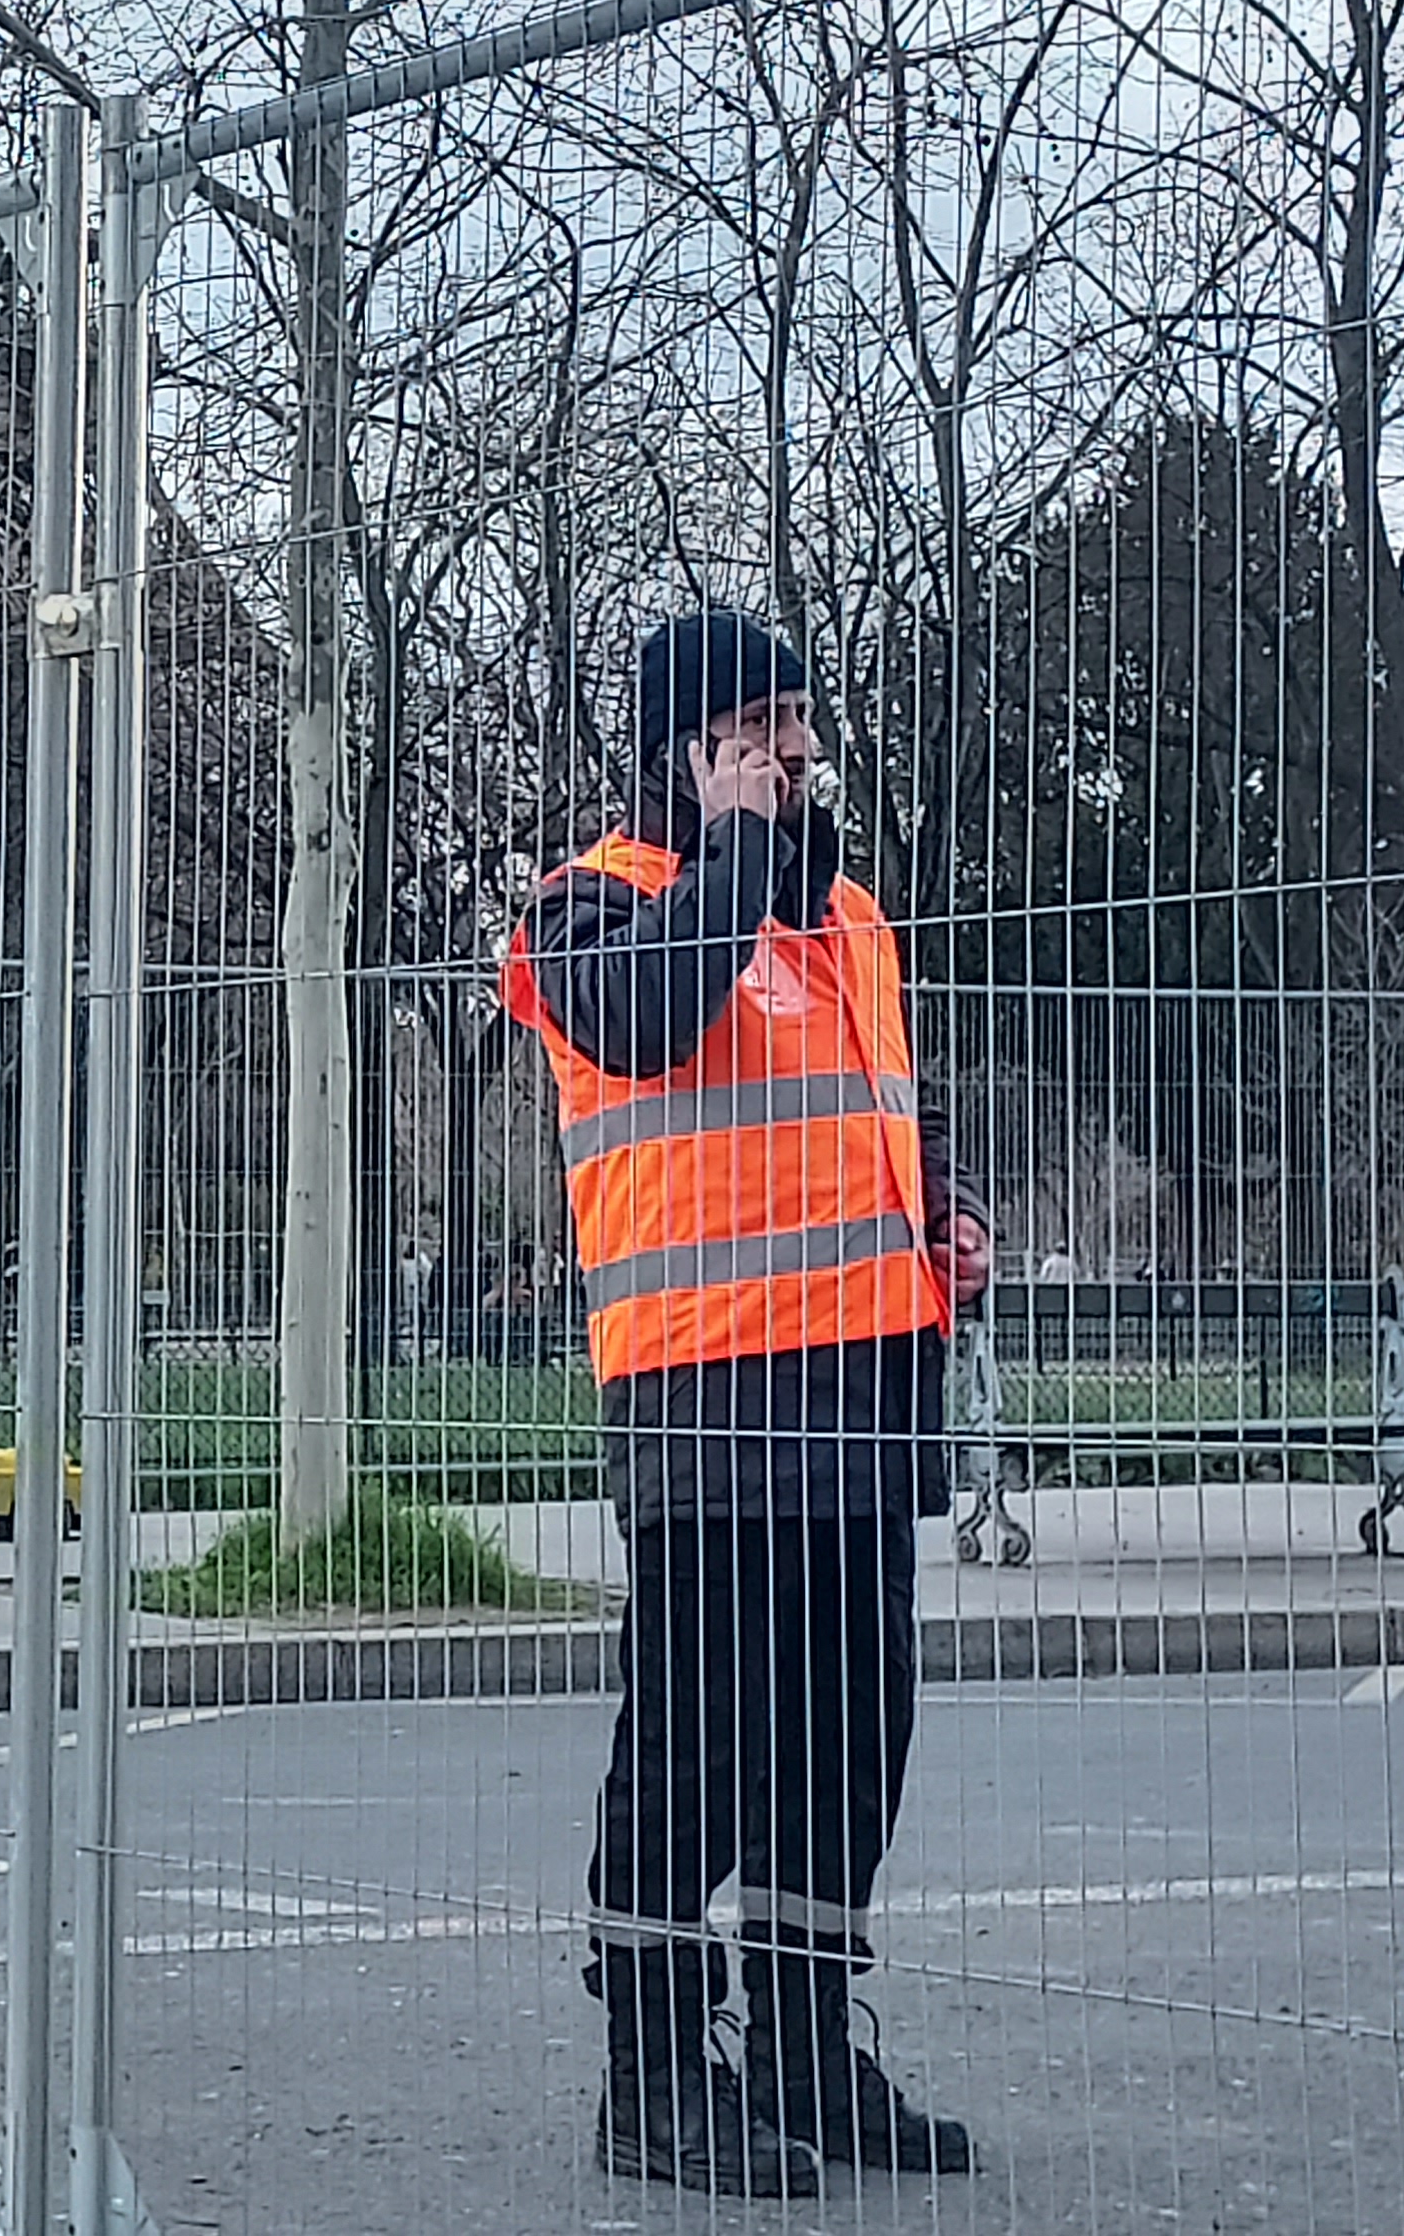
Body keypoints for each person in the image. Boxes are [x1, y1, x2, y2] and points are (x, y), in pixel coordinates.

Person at [499, 612, 991, 2195]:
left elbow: (848, 1127)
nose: (794, 747)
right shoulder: (589, 907)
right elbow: (654, 1028)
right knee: (699, 1748)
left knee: (850, 1746)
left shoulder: (848, 919)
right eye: (758, 725)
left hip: (866, 1394)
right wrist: (723, 853)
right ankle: (651, 2076)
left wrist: (945, 1217)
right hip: (707, 1407)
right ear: (686, 750)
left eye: (798, 718)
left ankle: (800, 2047)